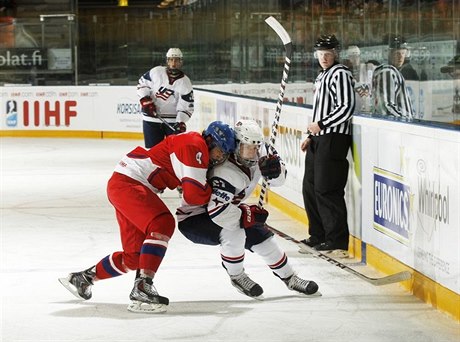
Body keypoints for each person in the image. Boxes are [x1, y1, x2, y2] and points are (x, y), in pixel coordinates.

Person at [58, 121, 236, 314]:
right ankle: (142, 287)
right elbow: (193, 195)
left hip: (125, 183)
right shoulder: (195, 145)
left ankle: (83, 279)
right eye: (220, 151)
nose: (220, 157)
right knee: (162, 222)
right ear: (210, 141)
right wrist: (217, 193)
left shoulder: (194, 145)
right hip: (129, 183)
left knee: (134, 258)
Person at [177, 119, 319, 298]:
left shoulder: (262, 151)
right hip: (195, 218)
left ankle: (290, 278)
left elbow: (280, 180)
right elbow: (218, 212)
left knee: (264, 239)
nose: (253, 153)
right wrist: (248, 215)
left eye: (255, 147)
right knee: (234, 232)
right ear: (236, 146)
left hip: (227, 210)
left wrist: (274, 171)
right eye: (247, 148)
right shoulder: (224, 170)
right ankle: (237, 276)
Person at [300, 34, 355, 257]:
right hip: (319, 138)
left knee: (327, 189)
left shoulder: (340, 73)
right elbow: (320, 110)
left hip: (334, 138)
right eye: (321, 53)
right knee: (310, 187)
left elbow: (346, 107)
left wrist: (321, 125)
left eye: (328, 53)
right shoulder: (322, 75)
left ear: (336, 54)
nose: (324, 57)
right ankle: (319, 235)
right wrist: (310, 135)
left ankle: (336, 240)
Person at [137, 47, 194, 149]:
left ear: (181, 62)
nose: (173, 63)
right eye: (171, 59)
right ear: (167, 61)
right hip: (151, 119)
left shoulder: (185, 82)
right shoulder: (156, 72)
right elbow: (142, 84)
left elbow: (186, 106)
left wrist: (180, 122)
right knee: (153, 152)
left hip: (172, 121)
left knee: (174, 153)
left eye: (176, 60)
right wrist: (145, 100)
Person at [371, 35, 415, 119]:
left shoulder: (393, 71)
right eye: (397, 53)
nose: (401, 57)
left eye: (403, 53)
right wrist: (405, 122)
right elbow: (386, 108)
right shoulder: (387, 72)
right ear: (389, 54)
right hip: (397, 128)